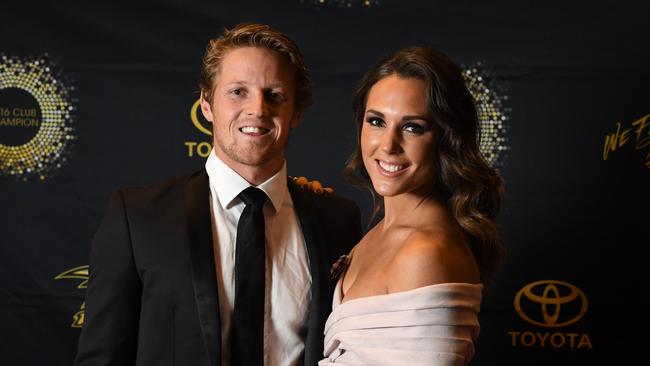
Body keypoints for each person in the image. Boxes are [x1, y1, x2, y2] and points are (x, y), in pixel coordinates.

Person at [74, 23, 361, 366]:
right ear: (207, 105)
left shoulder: (337, 221)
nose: (257, 109)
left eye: (275, 94)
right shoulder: (137, 218)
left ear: (296, 112)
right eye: (238, 91)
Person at [319, 46, 505, 366]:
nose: (388, 145)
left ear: (447, 137)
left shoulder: (425, 252)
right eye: (376, 121)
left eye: (412, 127)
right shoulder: (377, 233)